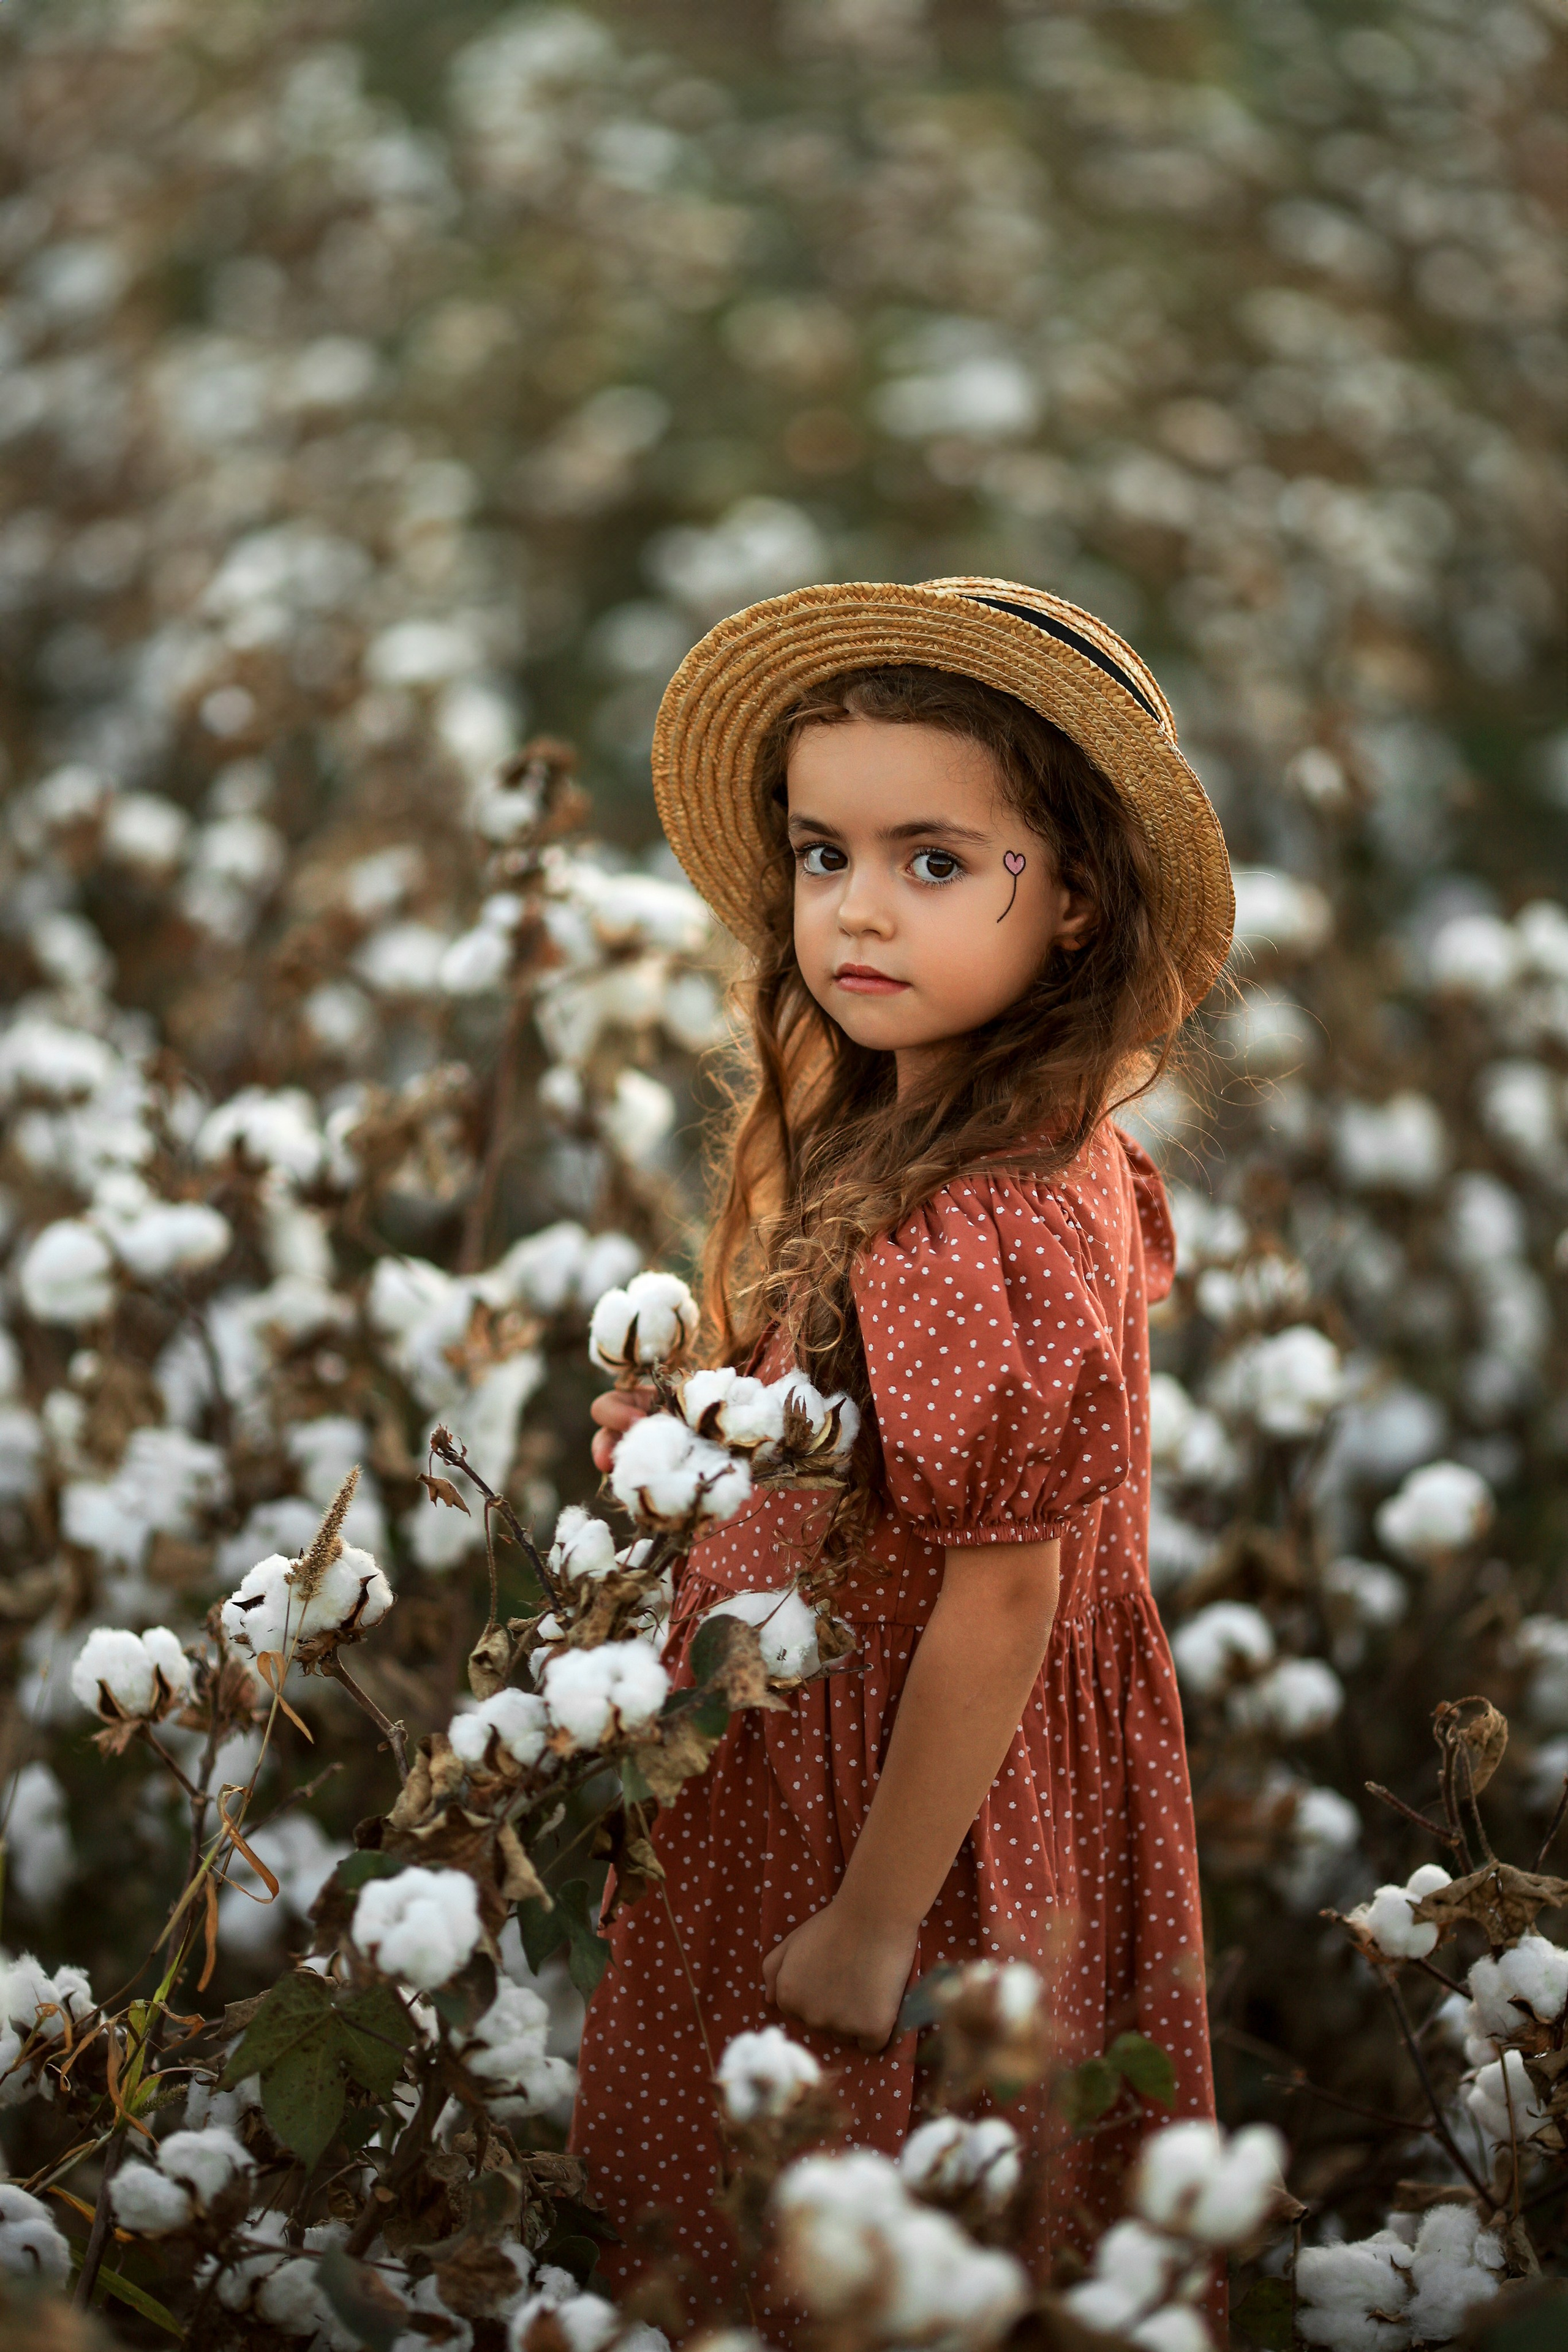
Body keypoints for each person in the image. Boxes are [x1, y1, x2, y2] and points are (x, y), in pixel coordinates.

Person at [569, 577, 1234, 2315]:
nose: (858, 911)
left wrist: (871, 1927)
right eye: (822, 854)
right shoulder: (995, 1133)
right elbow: (888, 1459)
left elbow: (1003, 1601)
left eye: (937, 862)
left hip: (901, 1816)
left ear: (1074, 897)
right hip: (881, 1767)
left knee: (847, 2227)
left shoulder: (975, 1223)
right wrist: (707, 1450)